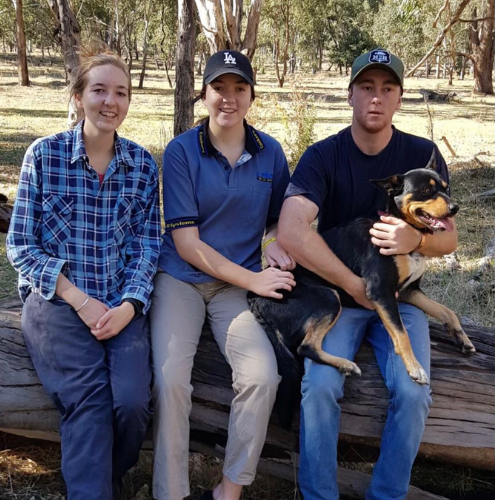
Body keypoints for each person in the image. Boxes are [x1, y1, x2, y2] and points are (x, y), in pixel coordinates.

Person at [277, 48, 456, 500]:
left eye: (388, 88)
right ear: (351, 94)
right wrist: (355, 286)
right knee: (318, 386)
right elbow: (293, 229)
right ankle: (318, 494)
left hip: (401, 296)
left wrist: (415, 242)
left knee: (414, 396)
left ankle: (386, 494)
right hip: (341, 298)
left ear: (399, 98)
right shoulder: (324, 156)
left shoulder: (423, 154)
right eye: (367, 88)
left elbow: (449, 240)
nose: (376, 98)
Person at [6, 44, 161, 500]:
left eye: (121, 93)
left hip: (119, 302)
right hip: (55, 300)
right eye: (99, 90)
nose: (110, 102)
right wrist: (78, 297)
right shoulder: (44, 156)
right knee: (90, 400)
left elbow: (148, 245)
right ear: (78, 97)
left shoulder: (141, 166)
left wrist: (130, 306)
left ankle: (106, 477)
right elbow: (20, 245)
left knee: (132, 402)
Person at [149, 50, 295, 500]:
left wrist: (271, 247)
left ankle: (230, 488)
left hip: (236, 289)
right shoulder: (180, 152)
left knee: (262, 377)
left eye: (239, 89)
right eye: (219, 88)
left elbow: (276, 220)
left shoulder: (270, 153)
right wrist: (255, 281)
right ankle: (170, 492)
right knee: (171, 379)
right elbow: (187, 245)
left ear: (252, 96)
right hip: (181, 279)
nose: (228, 99)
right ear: (204, 94)